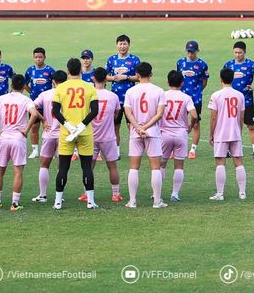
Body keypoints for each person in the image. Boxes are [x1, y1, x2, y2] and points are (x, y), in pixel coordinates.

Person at [51, 58, 99, 210]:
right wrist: (81, 126)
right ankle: (90, 201)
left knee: (63, 168)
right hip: (85, 132)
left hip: (66, 133)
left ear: (67, 71)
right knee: (87, 167)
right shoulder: (89, 87)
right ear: (80, 70)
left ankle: (58, 202)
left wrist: (68, 126)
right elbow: (95, 111)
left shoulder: (60, 88)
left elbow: (55, 111)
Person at [0, 75, 39, 212]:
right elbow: (34, 114)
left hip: (4, 138)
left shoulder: (1, 99)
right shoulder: (26, 100)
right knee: (18, 171)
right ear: (23, 86)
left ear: (11, 85)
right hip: (18, 138)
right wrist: (26, 130)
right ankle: (14, 203)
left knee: (0, 170)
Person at [123, 62, 167, 209]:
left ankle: (133, 201)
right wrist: (146, 127)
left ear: (137, 75)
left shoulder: (130, 91)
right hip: (152, 132)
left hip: (136, 132)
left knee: (134, 167)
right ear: (151, 74)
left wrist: (138, 127)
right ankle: (157, 201)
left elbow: (128, 112)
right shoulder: (159, 91)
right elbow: (159, 114)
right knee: (155, 167)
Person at [77, 67, 123, 203]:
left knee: (89, 166)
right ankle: (115, 194)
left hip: (91, 136)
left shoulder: (88, 95)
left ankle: (86, 193)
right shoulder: (113, 96)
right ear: (106, 79)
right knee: (112, 166)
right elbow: (116, 115)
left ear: (93, 78)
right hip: (108, 137)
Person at [223, 41, 254, 159]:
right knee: (231, 125)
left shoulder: (251, 64)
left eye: (240, 52)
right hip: (232, 102)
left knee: (251, 126)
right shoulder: (228, 65)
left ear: (245, 52)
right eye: (235, 52)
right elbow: (222, 78)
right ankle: (229, 150)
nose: (238, 55)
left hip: (247, 101)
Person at [208, 68, 246, 201]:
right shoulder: (240, 95)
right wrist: (239, 131)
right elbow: (242, 117)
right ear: (233, 79)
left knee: (220, 162)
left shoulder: (216, 95)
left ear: (220, 79)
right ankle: (242, 193)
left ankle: (220, 193)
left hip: (221, 133)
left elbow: (213, 118)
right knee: (238, 162)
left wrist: (211, 134)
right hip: (235, 132)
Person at [160, 70, 197, 202]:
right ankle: (175, 194)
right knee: (179, 165)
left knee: (161, 164)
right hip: (181, 133)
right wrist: (190, 126)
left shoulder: (163, 95)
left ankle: (156, 193)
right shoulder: (186, 97)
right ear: (182, 83)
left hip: (165, 133)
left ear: (168, 82)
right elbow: (194, 115)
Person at [31, 71, 67, 203]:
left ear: (53, 81)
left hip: (48, 134)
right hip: (64, 135)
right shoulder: (68, 94)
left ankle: (42, 195)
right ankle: (60, 196)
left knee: (44, 165)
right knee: (61, 166)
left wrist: (42, 119)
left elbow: (32, 107)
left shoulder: (45, 94)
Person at [106, 34, 141, 156]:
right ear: (116, 45)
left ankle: (135, 150)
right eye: (120, 44)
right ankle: (117, 151)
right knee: (115, 126)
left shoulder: (135, 60)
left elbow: (139, 77)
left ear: (129, 45)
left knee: (131, 125)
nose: (122, 46)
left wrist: (126, 77)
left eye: (124, 44)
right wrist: (115, 78)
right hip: (115, 98)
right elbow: (105, 76)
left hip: (130, 99)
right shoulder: (111, 59)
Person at [176, 40, 209, 159]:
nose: (190, 54)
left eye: (193, 52)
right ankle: (179, 148)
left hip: (196, 99)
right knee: (179, 122)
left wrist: (198, 91)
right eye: (189, 52)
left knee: (196, 124)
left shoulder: (202, 64)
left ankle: (193, 150)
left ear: (197, 51)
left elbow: (205, 81)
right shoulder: (180, 62)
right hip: (182, 98)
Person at [24, 47, 55, 159]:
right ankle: (35, 150)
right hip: (35, 104)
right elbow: (24, 83)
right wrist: (31, 92)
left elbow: (56, 83)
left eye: (40, 57)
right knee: (35, 127)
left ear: (44, 57)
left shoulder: (50, 70)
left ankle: (52, 150)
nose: (38, 59)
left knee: (50, 126)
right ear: (33, 58)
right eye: (36, 57)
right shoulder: (30, 70)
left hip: (48, 103)